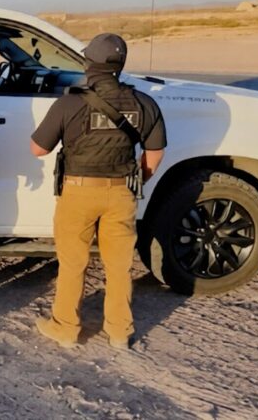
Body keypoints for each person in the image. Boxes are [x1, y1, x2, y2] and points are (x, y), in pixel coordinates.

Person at [29, 32, 166, 350]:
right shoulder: (144, 103)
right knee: (119, 266)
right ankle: (119, 332)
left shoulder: (70, 102)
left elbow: (38, 149)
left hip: (78, 193)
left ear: (88, 63)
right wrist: (135, 182)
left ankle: (66, 328)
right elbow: (155, 153)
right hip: (121, 193)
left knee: (73, 262)